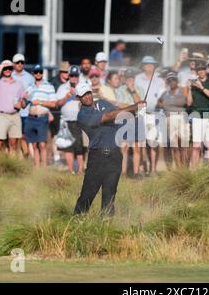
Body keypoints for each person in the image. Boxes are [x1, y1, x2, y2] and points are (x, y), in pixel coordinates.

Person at [73, 83, 145, 216]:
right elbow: (109, 116)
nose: (87, 97)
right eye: (83, 95)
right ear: (78, 98)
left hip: (115, 155)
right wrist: (134, 106)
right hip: (97, 158)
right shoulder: (82, 115)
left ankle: (106, 226)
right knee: (88, 194)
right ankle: (76, 222)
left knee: (110, 194)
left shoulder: (102, 103)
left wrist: (137, 112)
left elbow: (119, 113)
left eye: (88, 93)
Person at [134, 56, 166, 174]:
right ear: (143, 66)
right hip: (142, 112)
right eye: (147, 64)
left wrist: (160, 102)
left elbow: (162, 96)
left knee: (153, 143)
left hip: (156, 113)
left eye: (152, 64)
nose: (150, 66)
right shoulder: (137, 79)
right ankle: (142, 167)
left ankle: (152, 169)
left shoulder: (160, 79)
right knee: (142, 143)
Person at [22, 64, 57, 167]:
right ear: (33, 73)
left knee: (42, 144)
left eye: (40, 72)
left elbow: (53, 104)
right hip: (31, 117)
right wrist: (24, 98)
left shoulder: (48, 86)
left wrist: (40, 102)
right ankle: (37, 168)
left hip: (42, 118)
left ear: (42, 73)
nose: (38, 74)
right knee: (34, 144)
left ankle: (44, 167)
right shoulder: (29, 87)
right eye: (36, 72)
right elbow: (23, 106)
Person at [187, 62, 209, 169]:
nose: (201, 71)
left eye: (202, 69)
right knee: (196, 146)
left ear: (206, 70)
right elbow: (189, 103)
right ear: (196, 72)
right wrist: (190, 88)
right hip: (197, 116)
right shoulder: (193, 85)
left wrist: (201, 87)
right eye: (198, 70)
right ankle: (193, 171)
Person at [0, 60, 25, 154]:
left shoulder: (19, 84)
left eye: (9, 68)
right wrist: (1, 66)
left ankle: (11, 166)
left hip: (15, 116)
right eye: (5, 69)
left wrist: (21, 104)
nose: (7, 70)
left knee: (13, 144)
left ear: (12, 69)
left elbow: (23, 101)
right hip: (2, 116)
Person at [157, 72, 190, 168]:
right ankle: (179, 169)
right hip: (170, 119)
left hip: (182, 118)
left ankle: (185, 168)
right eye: (169, 80)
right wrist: (162, 105)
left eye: (173, 80)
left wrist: (168, 105)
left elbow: (186, 102)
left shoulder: (182, 90)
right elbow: (159, 102)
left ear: (177, 81)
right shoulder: (165, 93)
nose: (172, 82)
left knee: (183, 145)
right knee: (175, 146)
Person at [56, 65, 85, 173]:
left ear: (78, 76)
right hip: (66, 121)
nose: (73, 78)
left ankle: (80, 170)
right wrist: (67, 95)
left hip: (79, 121)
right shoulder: (62, 88)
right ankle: (70, 170)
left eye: (75, 75)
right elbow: (57, 103)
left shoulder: (84, 86)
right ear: (69, 76)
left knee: (79, 147)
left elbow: (88, 102)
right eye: (71, 75)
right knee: (68, 146)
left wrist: (78, 96)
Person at [116, 68, 143, 176]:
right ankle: (123, 173)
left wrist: (132, 91)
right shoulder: (120, 90)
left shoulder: (139, 89)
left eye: (132, 77)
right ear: (125, 78)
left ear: (135, 78)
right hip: (124, 120)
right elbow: (120, 105)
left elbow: (140, 105)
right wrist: (134, 107)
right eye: (128, 77)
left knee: (136, 147)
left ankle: (136, 173)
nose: (130, 79)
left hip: (136, 120)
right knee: (124, 147)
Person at [12, 53, 35, 158]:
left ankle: (26, 157)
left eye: (22, 62)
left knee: (25, 136)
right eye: (17, 62)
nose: (20, 64)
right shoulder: (9, 76)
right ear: (13, 64)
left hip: (26, 113)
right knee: (14, 138)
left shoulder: (30, 78)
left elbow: (33, 93)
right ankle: (18, 158)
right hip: (13, 112)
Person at [49, 61, 70, 163]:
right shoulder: (53, 82)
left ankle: (65, 158)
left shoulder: (71, 82)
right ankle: (56, 157)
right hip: (55, 112)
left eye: (68, 72)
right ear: (60, 72)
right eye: (65, 72)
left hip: (66, 112)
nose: (67, 74)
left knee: (66, 135)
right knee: (55, 135)